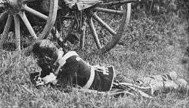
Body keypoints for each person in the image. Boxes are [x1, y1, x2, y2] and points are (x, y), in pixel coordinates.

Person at [30, 39, 187, 96]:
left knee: (139, 90)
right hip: (106, 77)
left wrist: (49, 80)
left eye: (41, 60)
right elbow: (51, 72)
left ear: (49, 58)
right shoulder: (62, 58)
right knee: (137, 82)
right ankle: (168, 76)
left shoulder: (70, 61)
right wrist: (43, 75)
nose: (41, 63)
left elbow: (63, 86)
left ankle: (173, 85)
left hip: (108, 83)